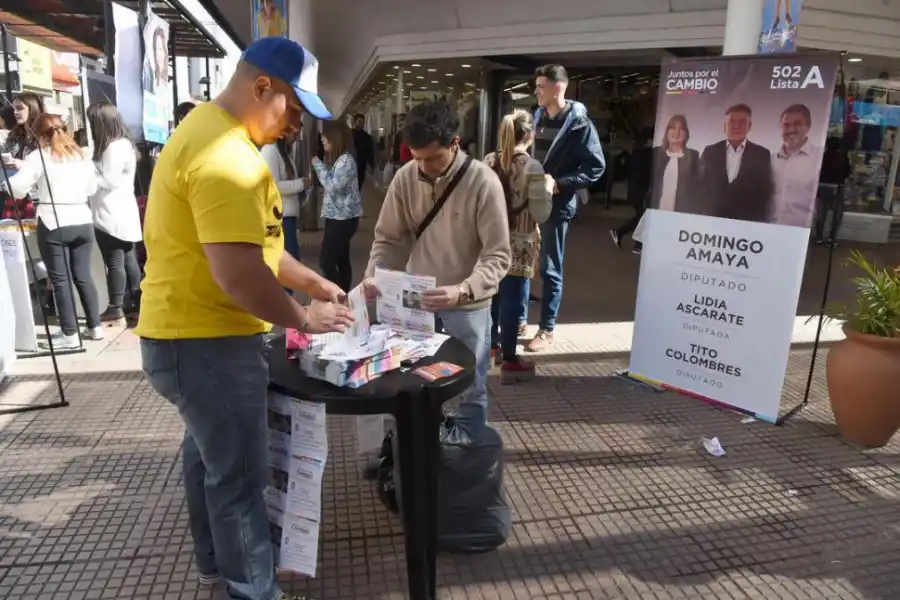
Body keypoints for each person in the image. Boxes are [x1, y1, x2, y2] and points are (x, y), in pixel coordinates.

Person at [135, 37, 352, 600]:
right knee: (239, 481)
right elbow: (240, 275)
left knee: (210, 459)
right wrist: (303, 314)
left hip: (187, 338)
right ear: (262, 88)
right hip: (208, 342)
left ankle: (216, 568)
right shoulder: (228, 160)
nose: (294, 127)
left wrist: (312, 280)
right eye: (294, 110)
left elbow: (255, 248)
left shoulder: (209, 134)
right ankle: (252, 589)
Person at [364, 98, 510, 442]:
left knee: (469, 387)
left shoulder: (483, 182)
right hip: (416, 305)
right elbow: (387, 238)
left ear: (454, 143)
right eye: (416, 158)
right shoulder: (405, 177)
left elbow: (497, 256)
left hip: (467, 306)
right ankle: (403, 452)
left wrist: (463, 290)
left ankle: (467, 454)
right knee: (408, 378)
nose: (424, 167)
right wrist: (374, 274)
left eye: (433, 158)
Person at [1, 113, 102, 349]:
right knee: (83, 276)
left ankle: (69, 334)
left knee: (60, 279)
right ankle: (94, 327)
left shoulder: (39, 157)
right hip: (82, 220)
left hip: (53, 221)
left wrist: (6, 184)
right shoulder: (82, 155)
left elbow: (18, 188)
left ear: (38, 135)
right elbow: (91, 187)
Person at [526, 64, 605, 353]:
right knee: (522, 262)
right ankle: (521, 319)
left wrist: (559, 184)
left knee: (549, 268)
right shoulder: (535, 118)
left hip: (556, 206)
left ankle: (546, 329)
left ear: (558, 87)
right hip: (527, 203)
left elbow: (596, 168)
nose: (536, 91)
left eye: (541, 86)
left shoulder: (581, 125)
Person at [484, 110, 551, 383]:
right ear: (530, 135)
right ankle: (510, 359)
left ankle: (491, 347)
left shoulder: (487, 161)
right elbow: (541, 213)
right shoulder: (534, 167)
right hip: (519, 245)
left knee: (491, 297)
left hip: (489, 242)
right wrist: (546, 188)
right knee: (513, 300)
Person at [87, 102, 143, 321]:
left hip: (111, 211)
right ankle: (137, 302)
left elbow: (108, 180)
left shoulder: (113, 146)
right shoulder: (123, 144)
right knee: (127, 257)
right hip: (120, 209)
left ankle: (115, 305)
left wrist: (88, 169)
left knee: (115, 259)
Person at [699, 104, 773, 223]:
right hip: (712, 222)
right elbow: (700, 186)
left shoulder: (762, 154)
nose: (737, 126)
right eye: (732, 122)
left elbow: (764, 193)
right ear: (725, 126)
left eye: (742, 122)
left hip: (746, 224)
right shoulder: (710, 151)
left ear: (749, 126)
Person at [313, 120, 362, 293]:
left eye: (325, 138)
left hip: (342, 219)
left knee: (326, 261)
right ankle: (344, 296)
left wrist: (317, 165)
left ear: (335, 138)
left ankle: (337, 295)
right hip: (339, 217)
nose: (322, 141)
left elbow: (333, 187)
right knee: (341, 259)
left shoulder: (345, 161)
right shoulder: (341, 160)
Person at [770, 104, 821, 228]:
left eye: (797, 124)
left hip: (801, 233)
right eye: (786, 125)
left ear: (808, 126)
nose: (791, 129)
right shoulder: (769, 159)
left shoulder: (820, 158)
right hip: (768, 230)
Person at [610, 128, 655, 254]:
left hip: (633, 189)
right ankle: (633, 241)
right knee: (643, 218)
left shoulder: (636, 152)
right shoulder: (649, 154)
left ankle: (630, 239)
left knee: (642, 217)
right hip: (642, 191)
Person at [261, 131, 305, 260]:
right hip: (279, 217)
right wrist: (301, 183)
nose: (295, 136)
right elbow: (273, 186)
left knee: (290, 258)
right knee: (288, 258)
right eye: (293, 133)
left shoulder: (283, 152)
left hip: (288, 214)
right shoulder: (270, 152)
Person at [814, 136, 850, 246]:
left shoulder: (821, 156)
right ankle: (832, 239)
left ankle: (819, 238)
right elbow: (847, 172)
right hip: (837, 187)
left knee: (821, 213)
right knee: (837, 214)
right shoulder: (843, 157)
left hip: (822, 186)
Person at [351, 113, 375, 190]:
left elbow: (370, 152)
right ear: (355, 122)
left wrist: (371, 164)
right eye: (359, 121)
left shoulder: (367, 137)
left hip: (361, 165)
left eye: (363, 122)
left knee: (358, 186)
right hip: (350, 165)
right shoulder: (348, 135)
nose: (361, 124)